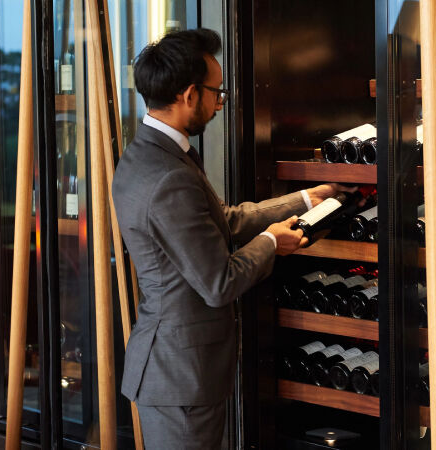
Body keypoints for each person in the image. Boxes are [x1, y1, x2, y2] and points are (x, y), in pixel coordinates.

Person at [112, 28, 351, 449]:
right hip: (181, 379)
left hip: (177, 371)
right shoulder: (169, 175)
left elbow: (222, 220)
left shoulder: (148, 154)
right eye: (216, 92)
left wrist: (303, 197)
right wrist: (274, 243)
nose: (221, 102)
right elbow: (218, 283)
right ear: (189, 95)